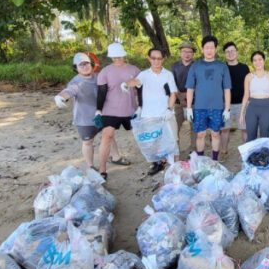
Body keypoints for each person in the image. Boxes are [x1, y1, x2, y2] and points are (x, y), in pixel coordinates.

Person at [56, 52, 117, 170]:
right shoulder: (76, 82)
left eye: (86, 63)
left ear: (91, 64)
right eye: (81, 65)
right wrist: (60, 97)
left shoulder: (99, 76)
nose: (85, 67)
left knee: (109, 136)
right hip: (84, 118)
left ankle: (116, 157)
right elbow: (69, 91)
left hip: (102, 114)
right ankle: (90, 166)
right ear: (76, 68)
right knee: (88, 142)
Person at [122, 48, 178, 175]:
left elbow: (173, 94)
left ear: (163, 59)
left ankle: (173, 166)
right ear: (149, 58)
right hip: (149, 115)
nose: (156, 61)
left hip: (165, 114)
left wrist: (169, 109)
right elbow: (135, 82)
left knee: (171, 139)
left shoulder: (168, 74)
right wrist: (126, 84)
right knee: (153, 141)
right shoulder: (144, 74)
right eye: (153, 58)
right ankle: (158, 163)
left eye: (159, 58)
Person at [94, 42, 138, 179]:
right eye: (114, 57)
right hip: (110, 109)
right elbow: (101, 92)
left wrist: (142, 106)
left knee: (144, 134)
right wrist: (98, 110)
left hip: (131, 109)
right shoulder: (105, 72)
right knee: (107, 136)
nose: (117, 59)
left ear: (124, 55)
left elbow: (141, 88)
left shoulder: (134, 70)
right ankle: (102, 170)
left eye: (119, 56)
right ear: (110, 57)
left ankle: (157, 161)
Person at [184, 35, 232, 161]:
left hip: (217, 107)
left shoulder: (222, 66)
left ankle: (214, 160)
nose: (209, 50)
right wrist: (189, 108)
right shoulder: (195, 66)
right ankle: (200, 160)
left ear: (215, 49)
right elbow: (190, 88)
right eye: (206, 48)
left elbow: (227, 89)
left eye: (212, 47)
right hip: (200, 107)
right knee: (200, 134)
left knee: (215, 134)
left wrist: (227, 108)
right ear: (202, 49)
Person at [239, 51, 269, 142]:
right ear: (252, 63)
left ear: (264, 60)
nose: (258, 62)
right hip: (252, 108)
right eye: (255, 60)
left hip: (266, 108)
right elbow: (246, 95)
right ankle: (250, 156)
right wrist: (242, 113)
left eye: (260, 59)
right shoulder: (249, 77)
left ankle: (265, 156)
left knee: (265, 136)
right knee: (251, 136)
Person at [221, 42, 250, 157]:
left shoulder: (244, 67)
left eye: (232, 51)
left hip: (242, 104)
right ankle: (223, 151)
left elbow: (249, 85)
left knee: (245, 129)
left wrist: (249, 100)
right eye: (227, 52)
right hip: (225, 105)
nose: (230, 53)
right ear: (225, 54)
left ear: (237, 52)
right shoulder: (222, 68)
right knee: (224, 129)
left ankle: (247, 152)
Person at [170, 41, 197, 156]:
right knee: (175, 126)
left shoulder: (197, 66)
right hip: (177, 100)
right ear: (180, 52)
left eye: (190, 52)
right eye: (184, 51)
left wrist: (189, 95)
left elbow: (200, 82)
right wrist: (180, 97)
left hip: (195, 101)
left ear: (193, 54)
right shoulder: (174, 66)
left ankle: (194, 149)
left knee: (194, 127)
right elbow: (171, 83)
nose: (187, 54)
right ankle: (175, 150)